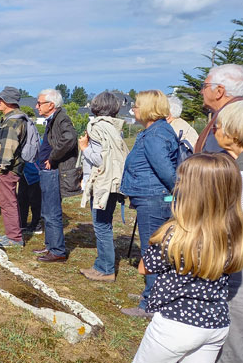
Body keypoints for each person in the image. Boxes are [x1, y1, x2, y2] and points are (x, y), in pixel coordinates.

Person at [73, 153, 243, 363]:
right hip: (215, 324)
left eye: (181, 182)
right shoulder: (234, 230)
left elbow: (143, 268)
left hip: (176, 323)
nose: (176, 185)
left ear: (191, 191)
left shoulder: (173, 232)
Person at [203, 103, 243, 363]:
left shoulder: (238, 178)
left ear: (230, 132)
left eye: (218, 125)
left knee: (234, 348)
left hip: (241, 274)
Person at [120, 90, 178, 317]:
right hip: (153, 197)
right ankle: (153, 292)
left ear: (147, 109)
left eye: (136, 105)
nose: (133, 109)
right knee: (157, 249)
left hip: (154, 199)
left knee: (153, 250)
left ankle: (151, 304)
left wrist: (176, 194)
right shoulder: (156, 131)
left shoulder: (155, 135)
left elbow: (167, 172)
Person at [78, 92, 129, 282]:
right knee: (104, 224)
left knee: (101, 226)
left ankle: (105, 269)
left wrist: (84, 148)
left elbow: (100, 159)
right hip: (114, 182)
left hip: (103, 183)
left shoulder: (96, 126)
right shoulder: (115, 126)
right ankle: (103, 265)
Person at [33, 89, 81, 263]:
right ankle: (50, 246)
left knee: (52, 212)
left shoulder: (61, 118)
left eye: (39, 103)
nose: (36, 106)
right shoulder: (53, 119)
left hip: (54, 171)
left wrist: (53, 157)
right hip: (48, 171)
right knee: (46, 211)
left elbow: (70, 138)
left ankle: (57, 251)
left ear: (51, 105)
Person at [0, 86, 27, 248]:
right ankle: (12, 234)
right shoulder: (16, 119)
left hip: (7, 170)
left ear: (9, 102)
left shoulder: (12, 122)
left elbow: (8, 147)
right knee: (8, 202)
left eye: (1, 99)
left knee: (7, 202)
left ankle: (14, 238)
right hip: (11, 168)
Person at [194, 63, 243, 153]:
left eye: (205, 86)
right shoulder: (240, 113)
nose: (201, 92)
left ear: (219, 91)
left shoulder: (226, 119)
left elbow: (212, 159)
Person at [18, 160, 42, 234]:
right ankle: (22, 223)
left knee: (35, 201)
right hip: (24, 172)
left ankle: (36, 225)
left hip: (35, 174)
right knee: (22, 200)